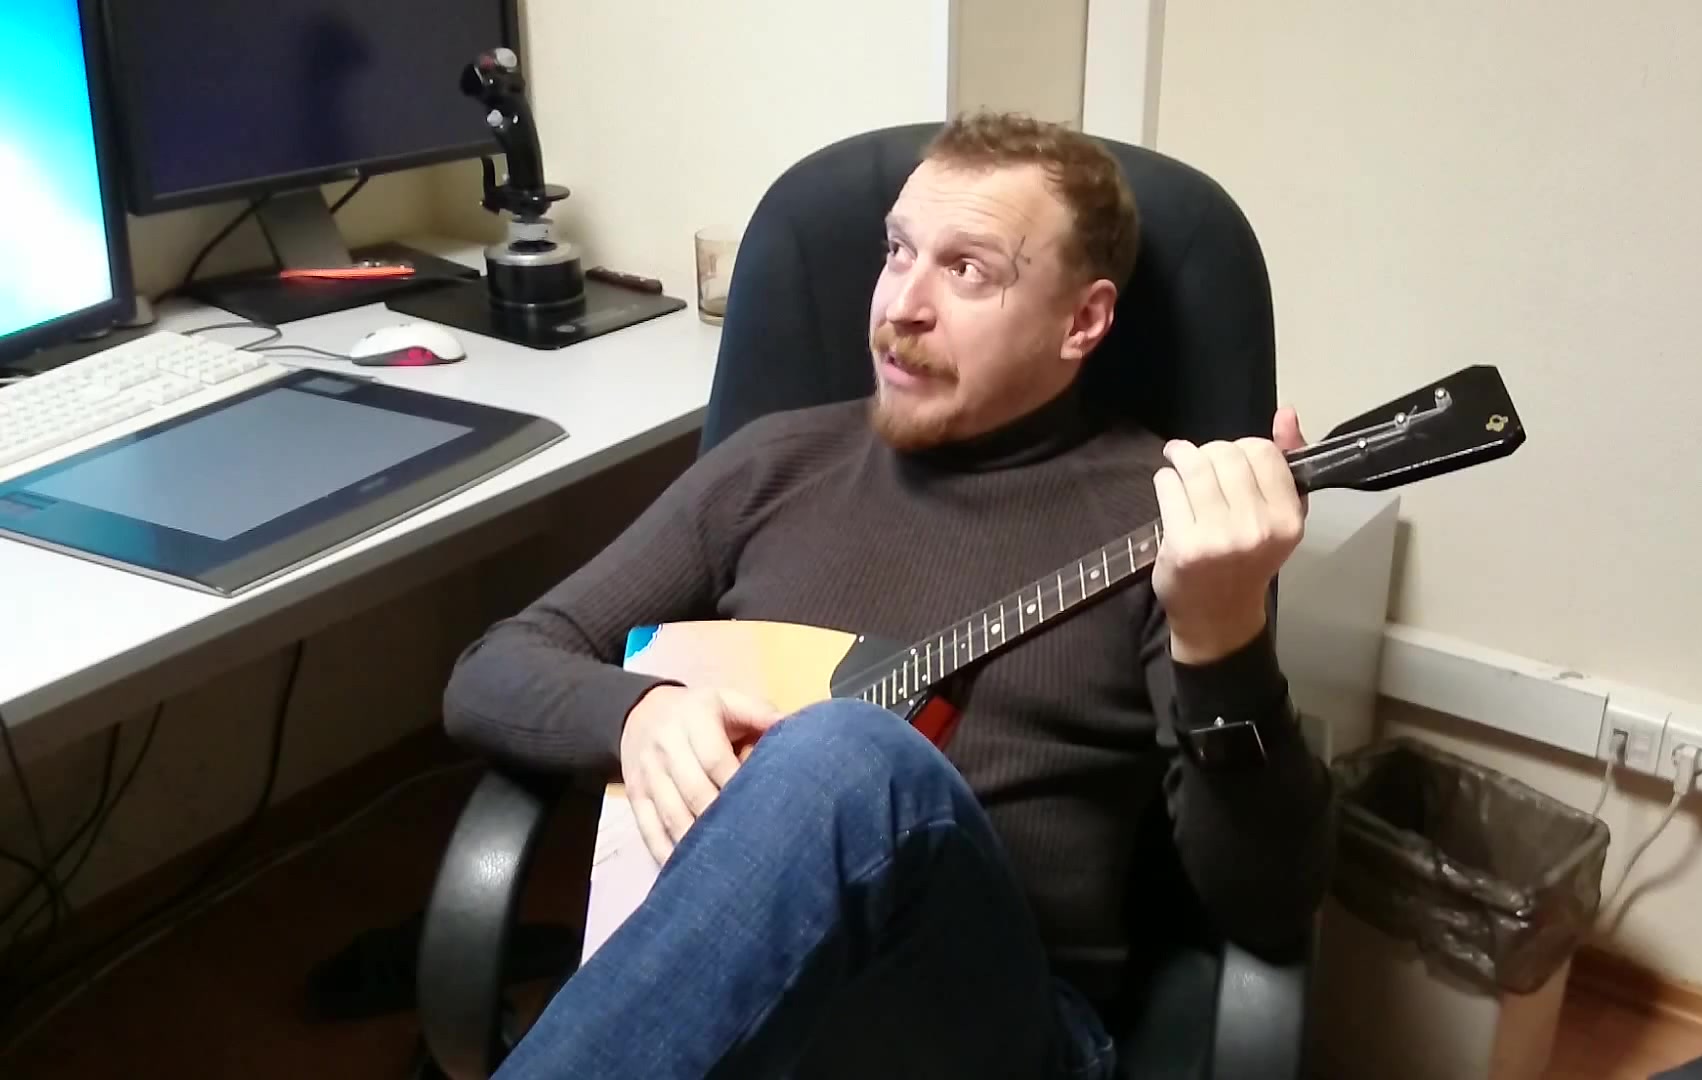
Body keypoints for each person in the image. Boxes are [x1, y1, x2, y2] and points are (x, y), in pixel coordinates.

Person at [442, 110, 1332, 1080]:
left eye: (968, 270)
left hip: (989, 1033)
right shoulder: (771, 465)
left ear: (1081, 321)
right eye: (897, 252)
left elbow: (1266, 902)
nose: (902, 305)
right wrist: (636, 713)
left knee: (845, 754)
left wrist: (1221, 636)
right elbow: (494, 668)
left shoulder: (1165, 516)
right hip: (740, 1022)